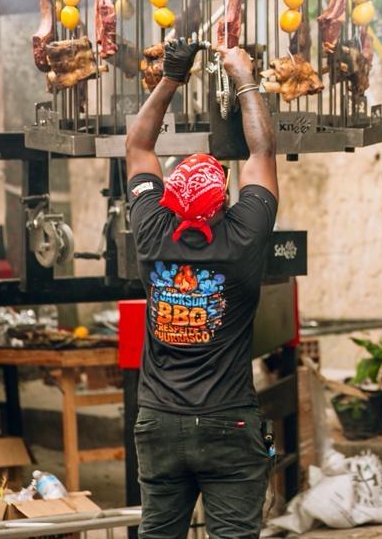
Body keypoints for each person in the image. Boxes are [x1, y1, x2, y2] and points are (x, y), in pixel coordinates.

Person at [125, 39, 279, 539]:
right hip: (228, 425)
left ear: (170, 199)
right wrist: (245, 77)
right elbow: (263, 151)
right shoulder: (244, 236)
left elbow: (139, 147)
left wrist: (171, 77)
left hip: (160, 424)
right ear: (221, 204)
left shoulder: (151, 228)